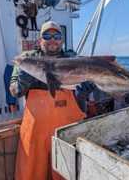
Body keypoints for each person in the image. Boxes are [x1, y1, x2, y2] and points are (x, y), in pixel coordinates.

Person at [10, 21, 94, 180]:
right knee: (31, 173)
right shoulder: (26, 59)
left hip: (67, 129)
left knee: (66, 173)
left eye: (57, 35)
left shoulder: (72, 58)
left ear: (62, 40)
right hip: (35, 131)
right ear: (40, 40)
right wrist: (23, 79)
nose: (52, 39)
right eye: (47, 35)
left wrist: (84, 93)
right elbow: (14, 91)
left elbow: (84, 88)